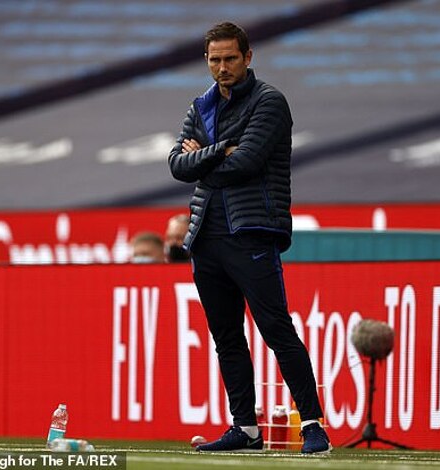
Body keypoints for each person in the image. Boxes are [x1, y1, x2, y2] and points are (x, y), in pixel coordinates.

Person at [168, 22, 331, 454]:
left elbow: (247, 162)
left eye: (230, 59)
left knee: (276, 329)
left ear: (248, 57)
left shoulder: (269, 102)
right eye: (214, 60)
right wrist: (221, 151)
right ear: (206, 60)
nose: (222, 67)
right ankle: (246, 428)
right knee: (226, 337)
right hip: (206, 236)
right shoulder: (201, 105)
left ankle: (312, 424)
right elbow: (176, 165)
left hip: (252, 232)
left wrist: (203, 158)